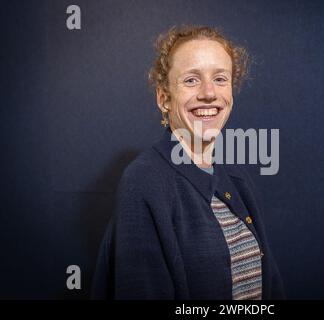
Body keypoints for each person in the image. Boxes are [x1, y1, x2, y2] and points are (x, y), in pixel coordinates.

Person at [91, 25, 285, 300]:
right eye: (191, 80)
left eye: (220, 78)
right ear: (164, 98)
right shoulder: (144, 181)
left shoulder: (236, 177)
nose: (209, 93)